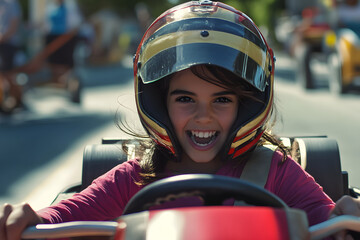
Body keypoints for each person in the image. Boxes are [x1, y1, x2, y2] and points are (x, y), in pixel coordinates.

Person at [1, 1, 360, 239]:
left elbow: (328, 221)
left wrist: (343, 215)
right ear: (158, 103)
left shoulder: (275, 171)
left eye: (222, 99)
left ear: (247, 106)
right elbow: (65, 216)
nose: (203, 115)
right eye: (185, 98)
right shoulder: (135, 176)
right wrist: (30, 220)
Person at [0, 0, 22, 112]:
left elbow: (14, 24)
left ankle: (18, 99)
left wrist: (3, 37)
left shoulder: (11, 3)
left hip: (8, 44)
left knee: (7, 73)